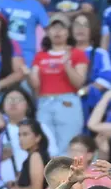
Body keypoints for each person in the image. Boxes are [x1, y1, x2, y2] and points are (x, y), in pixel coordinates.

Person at [30, 15, 89, 155]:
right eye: (53, 28)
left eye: (61, 28)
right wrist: (29, 74)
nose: (57, 32)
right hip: (45, 102)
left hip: (67, 102)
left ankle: (67, 177)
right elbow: (35, 85)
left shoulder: (77, 54)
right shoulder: (40, 56)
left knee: (68, 147)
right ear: (48, 32)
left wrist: (67, 65)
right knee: (45, 146)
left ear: (68, 32)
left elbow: (79, 83)